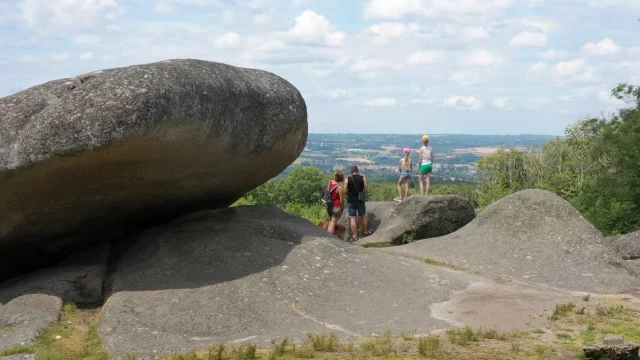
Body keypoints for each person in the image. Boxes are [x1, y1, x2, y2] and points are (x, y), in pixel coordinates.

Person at [343, 165, 372, 242]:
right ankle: (365, 232)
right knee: (363, 216)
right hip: (360, 200)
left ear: (351, 171)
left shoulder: (347, 179)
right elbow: (366, 189)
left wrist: (350, 192)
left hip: (351, 200)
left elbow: (344, 191)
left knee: (352, 217)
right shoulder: (363, 178)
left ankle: (355, 236)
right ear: (357, 171)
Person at [326, 171, 344, 235]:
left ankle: (328, 236)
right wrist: (342, 208)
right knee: (333, 224)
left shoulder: (330, 182)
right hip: (336, 207)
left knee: (330, 222)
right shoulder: (339, 187)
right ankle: (330, 238)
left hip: (329, 205)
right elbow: (341, 200)